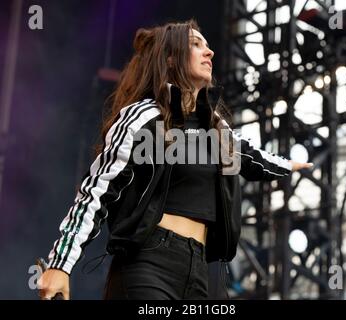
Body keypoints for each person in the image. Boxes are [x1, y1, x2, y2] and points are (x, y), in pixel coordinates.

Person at [38, 19, 312, 300]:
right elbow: (96, 192)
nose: (210, 53)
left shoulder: (217, 129)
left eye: (207, 45)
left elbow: (254, 159)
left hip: (202, 269)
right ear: (170, 60)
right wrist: (60, 264)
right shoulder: (144, 116)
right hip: (151, 262)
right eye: (196, 44)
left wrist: (291, 165)